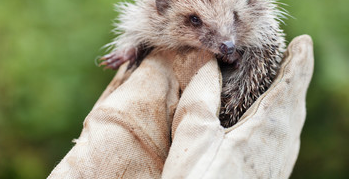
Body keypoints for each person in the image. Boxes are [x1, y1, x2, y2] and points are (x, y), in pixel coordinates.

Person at [48, 35, 314, 179]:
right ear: (163, 7)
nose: (224, 37)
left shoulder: (252, 36)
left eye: (231, 19)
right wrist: (131, 50)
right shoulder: (154, 22)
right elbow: (141, 34)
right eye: (197, 21)